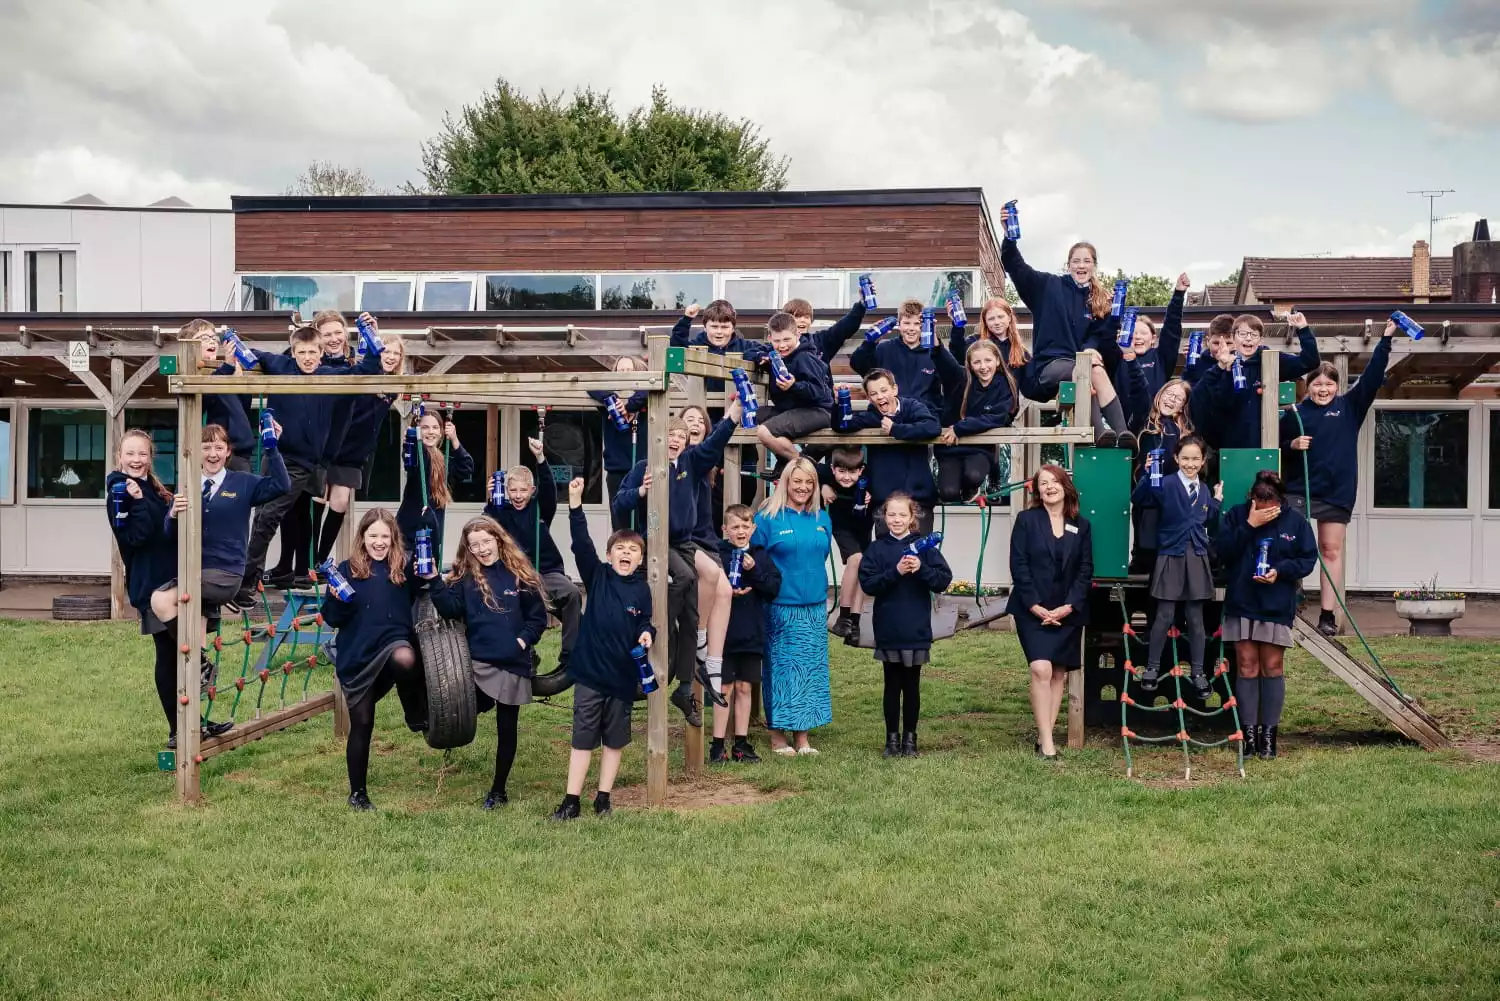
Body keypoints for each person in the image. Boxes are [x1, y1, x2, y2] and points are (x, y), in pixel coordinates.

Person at [613, 393, 743, 726]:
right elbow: (620, 503)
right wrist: (640, 492)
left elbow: (715, 443)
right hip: (658, 541)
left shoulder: (689, 464)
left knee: (694, 604)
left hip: (684, 542)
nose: (675, 442)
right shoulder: (645, 467)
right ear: (659, 439)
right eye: (670, 437)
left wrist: (733, 414)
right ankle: (660, 628)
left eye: (680, 439)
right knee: (685, 578)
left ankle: (685, 687)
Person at [236, 325, 383, 608]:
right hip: (274, 453)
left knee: (271, 516)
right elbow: (252, 355)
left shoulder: (329, 375)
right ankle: (247, 578)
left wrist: (372, 344)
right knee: (262, 516)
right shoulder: (281, 365)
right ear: (293, 352)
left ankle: (245, 583)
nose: (307, 358)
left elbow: (363, 371)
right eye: (301, 352)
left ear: (320, 353)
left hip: (302, 462)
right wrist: (234, 348)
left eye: (312, 352)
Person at [107, 428, 221, 750]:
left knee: (180, 653)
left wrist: (171, 511)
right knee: (169, 653)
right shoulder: (120, 491)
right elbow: (137, 538)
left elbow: (165, 532)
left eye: (142, 453)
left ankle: (194, 724)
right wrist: (140, 502)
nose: (136, 459)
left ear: (149, 457)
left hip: (172, 579)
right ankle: (178, 729)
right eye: (130, 453)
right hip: (150, 583)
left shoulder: (151, 487)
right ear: (120, 456)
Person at [1282, 320, 1394, 637]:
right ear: (1309, 386)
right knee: (1291, 544)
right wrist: (1290, 445)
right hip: (1298, 489)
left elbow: (1372, 378)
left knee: (1330, 550)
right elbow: (1272, 447)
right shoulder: (1295, 414)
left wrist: (1385, 340)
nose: (1323, 389)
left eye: (1329, 384)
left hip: (1336, 492)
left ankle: (1328, 616)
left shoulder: (1349, 408)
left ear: (1337, 386)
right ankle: (1290, 601)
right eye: (1317, 384)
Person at [428, 516, 549, 810]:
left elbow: (537, 618)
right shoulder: (465, 578)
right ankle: (430, 725)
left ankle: (498, 790)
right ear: (468, 549)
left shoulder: (520, 574)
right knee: (462, 703)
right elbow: (449, 608)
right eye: (474, 545)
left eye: (485, 541)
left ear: (498, 538)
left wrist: (520, 642)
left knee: (507, 729)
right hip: (477, 664)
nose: (481, 549)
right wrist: (433, 580)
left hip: (511, 664)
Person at [151, 423, 290, 676]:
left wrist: (272, 448)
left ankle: (199, 661)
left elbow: (282, 486)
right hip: (194, 571)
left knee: (160, 600)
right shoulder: (187, 484)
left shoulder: (243, 483)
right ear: (197, 451)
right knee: (192, 618)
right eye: (206, 447)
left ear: (228, 452)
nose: (212, 453)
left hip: (225, 574)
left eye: (218, 447)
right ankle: (199, 673)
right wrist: (172, 514)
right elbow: (170, 535)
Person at [555, 478, 655, 820]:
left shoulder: (642, 590)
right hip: (591, 676)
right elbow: (581, 542)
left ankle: (603, 797)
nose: (626, 553)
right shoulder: (597, 576)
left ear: (641, 559)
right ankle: (571, 800)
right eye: (620, 549)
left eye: (633, 550)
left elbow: (645, 622)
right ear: (610, 554)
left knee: (614, 741)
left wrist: (646, 634)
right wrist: (575, 502)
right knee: (583, 738)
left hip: (623, 680)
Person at [997, 203, 1132, 446]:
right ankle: (1098, 432)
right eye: (1076, 261)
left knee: (1096, 370)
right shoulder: (1047, 286)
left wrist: (1094, 345)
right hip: (1048, 368)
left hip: (1083, 365)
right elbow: (1016, 267)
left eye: (1087, 261)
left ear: (1094, 266)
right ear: (1068, 264)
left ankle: (1123, 435)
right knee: (1083, 369)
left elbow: (1100, 338)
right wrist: (1009, 235)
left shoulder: (1098, 300)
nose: (1081, 266)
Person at [318, 508, 424, 811]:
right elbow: (332, 618)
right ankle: (358, 793)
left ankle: (414, 710)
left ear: (393, 538)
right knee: (362, 723)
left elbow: (427, 589)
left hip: (393, 643)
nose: (379, 542)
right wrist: (336, 602)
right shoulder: (345, 569)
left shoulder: (404, 566)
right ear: (362, 538)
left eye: (384, 536)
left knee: (404, 658)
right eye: (373, 535)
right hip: (358, 655)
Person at [1217, 471, 1318, 759]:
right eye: (1258, 506)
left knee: (1272, 666)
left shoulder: (1296, 522)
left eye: (1269, 507)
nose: (1265, 512)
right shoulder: (1238, 515)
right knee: (1246, 665)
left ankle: (1269, 736)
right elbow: (1222, 551)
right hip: (1242, 601)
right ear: (1251, 499)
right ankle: (1248, 736)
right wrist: (1250, 525)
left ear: (1279, 501)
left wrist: (1280, 572)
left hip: (1275, 603)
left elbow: (1307, 559)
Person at [1006, 464, 1093, 759]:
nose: (1049, 487)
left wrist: (1068, 607)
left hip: (1068, 611)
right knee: (1040, 668)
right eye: (1043, 483)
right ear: (1037, 491)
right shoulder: (1026, 520)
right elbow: (1018, 565)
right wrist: (1035, 606)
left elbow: (1085, 570)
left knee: (1058, 674)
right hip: (1032, 609)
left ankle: (1045, 738)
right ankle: (1048, 743)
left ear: (1065, 487)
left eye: (1054, 481)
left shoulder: (1081, 526)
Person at [857, 492, 953, 758]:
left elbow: (943, 580)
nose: (896, 519)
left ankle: (910, 740)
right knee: (891, 683)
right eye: (891, 515)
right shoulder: (877, 549)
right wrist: (895, 572)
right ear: (884, 517)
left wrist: (920, 568)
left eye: (902, 515)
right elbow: (868, 584)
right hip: (889, 626)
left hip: (916, 627)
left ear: (912, 517)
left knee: (912, 685)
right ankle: (891, 740)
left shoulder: (924, 547)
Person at [752, 457, 833, 755]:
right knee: (782, 671)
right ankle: (777, 736)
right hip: (780, 605)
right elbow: (757, 561)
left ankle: (803, 737)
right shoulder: (767, 518)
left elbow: (820, 557)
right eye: (797, 481)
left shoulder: (821, 518)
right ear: (785, 483)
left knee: (810, 671)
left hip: (813, 605)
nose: (802, 487)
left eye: (808, 482)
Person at [483, 437, 581, 682]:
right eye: (512, 490)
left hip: (546, 571)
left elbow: (549, 486)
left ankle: (570, 653)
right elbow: (485, 525)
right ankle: (529, 654)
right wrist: (489, 498)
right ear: (506, 492)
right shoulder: (501, 512)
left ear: (531, 491)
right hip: (514, 576)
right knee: (514, 606)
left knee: (571, 593)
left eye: (522, 490)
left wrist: (540, 458)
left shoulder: (540, 509)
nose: (517, 495)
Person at [1131, 436, 1220, 696]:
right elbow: (1140, 498)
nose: (1190, 463)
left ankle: (1198, 671)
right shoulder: (1165, 483)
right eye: (1185, 458)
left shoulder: (1204, 489)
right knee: (1164, 615)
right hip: (1170, 555)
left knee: (1195, 618)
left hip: (1197, 556)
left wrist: (1216, 501)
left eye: (1195, 459)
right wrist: (1148, 474)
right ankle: (1152, 668)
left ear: (1202, 461)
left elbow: (1205, 517)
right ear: (1176, 459)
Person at [315, 316, 402, 569]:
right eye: (387, 351)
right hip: (335, 442)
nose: (392, 356)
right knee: (318, 498)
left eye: (397, 353)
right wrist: (372, 333)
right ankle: (308, 560)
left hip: (356, 451)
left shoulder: (393, 386)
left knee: (340, 502)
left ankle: (321, 557)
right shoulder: (362, 372)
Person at [711, 503, 781, 764]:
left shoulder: (760, 555)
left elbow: (773, 588)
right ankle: (718, 745)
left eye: (745, 526)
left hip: (752, 632)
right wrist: (728, 589)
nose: (740, 531)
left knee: (744, 687)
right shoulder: (718, 555)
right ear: (725, 529)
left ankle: (741, 742)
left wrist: (755, 571)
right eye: (735, 527)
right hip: (724, 633)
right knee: (724, 688)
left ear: (753, 528)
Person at [1194, 312, 1321, 450]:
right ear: (1234, 338)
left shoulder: (1271, 359)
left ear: (1260, 340)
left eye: (1254, 335)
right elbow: (1206, 397)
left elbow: (1310, 362)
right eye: (1242, 334)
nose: (1248, 339)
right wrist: (1222, 368)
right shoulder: (1224, 364)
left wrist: (1303, 329)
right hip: (1229, 446)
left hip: (1264, 443)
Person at [835, 368, 940, 531]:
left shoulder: (912, 407)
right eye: (874, 394)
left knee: (920, 553)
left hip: (917, 500)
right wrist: (839, 402)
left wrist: (896, 430)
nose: (880, 396)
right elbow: (842, 426)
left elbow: (933, 427)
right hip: (884, 502)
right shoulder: (871, 417)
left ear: (895, 389)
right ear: (869, 398)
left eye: (884, 390)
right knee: (887, 554)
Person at [850, 298, 963, 420]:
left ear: (923, 325)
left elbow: (955, 376)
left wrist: (936, 343)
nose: (911, 328)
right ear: (899, 324)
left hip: (925, 418)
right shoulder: (884, 348)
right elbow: (857, 363)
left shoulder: (935, 352)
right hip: (891, 415)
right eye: (907, 323)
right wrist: (870, 342)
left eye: (917, 324)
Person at [1126, 378, 1196, 575]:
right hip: (1146, 491)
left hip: (1170, 495)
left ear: (1183, 406)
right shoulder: (1145, 421)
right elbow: (1138, 391)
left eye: (1178, 398)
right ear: (1160, 395)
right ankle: (1140, 560)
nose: (1172, 400)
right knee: (1145, 543)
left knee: (1166, 550)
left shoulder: (1183, 431)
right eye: (1169, 394)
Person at [936, 338, 1016, 503]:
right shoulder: (961, 379)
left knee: (973, 475)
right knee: (948, 492)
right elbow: (945, 362)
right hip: (951, 448)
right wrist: (936, 345)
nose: (983, 366)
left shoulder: (1005, 384)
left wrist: (960, 427)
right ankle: (960, 491)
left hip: (980, 448)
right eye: (977, 362)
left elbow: (997, 417)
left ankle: (976, 486)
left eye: (988, 360)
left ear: (997, 361)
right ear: (970, 365)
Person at [754, 310, 835, 469]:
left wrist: (794, 386)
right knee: (751, 416)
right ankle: (785, 461)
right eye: (777, 341)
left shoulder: (805, 357)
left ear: (798, 334)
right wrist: (760, 358)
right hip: (792, 410)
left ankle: (804, 467)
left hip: (818, 411)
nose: (782, 345)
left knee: (764, 432)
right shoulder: (776, 355)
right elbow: (749, 351)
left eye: (786, 339)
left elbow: (820, 392)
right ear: (770, 338)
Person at [396, 407, 475, 560]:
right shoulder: (418, 455)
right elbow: (411, 462)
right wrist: (411, 441)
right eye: (425, 427)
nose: (430, 431)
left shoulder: (444, 462)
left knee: (428, 576)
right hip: (409, 533)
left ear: (441, 433)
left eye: (435, 427)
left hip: (432, 533)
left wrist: (454, 439)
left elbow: (466, 467)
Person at [181, 320, 256, 473]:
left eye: (213, 338)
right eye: (203, 338)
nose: (212, 341)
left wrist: (241, 386)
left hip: (240, 453)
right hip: (218, 454)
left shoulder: (222, 372)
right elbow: (202, 401)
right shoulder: (192, 373)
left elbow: (243, 409)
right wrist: (227, 368)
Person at [587, 357, 648, 532]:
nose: (624, 375)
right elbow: (591, 384)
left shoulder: (646, 399)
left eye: (629, 370)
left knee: (643, 523)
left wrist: (630, 406)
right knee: (620, 524)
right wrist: (612, 399)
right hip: (617, 473)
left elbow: (650, 388)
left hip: (642, 472)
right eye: (620, 371)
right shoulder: (608, 405)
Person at [819, 446, 873, 643]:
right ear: (833, 469)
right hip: (842, 525)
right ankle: (844, 617)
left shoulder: (871, 477)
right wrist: (822, 485)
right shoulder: (824, 473)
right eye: (841, 471)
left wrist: (872, 495)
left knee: (863, 568)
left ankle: (855, 622)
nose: (847, 477)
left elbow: (883, 488)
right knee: (855, 559)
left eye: (852, 472)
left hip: (864, 527)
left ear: (861, 470)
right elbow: (800, 464)